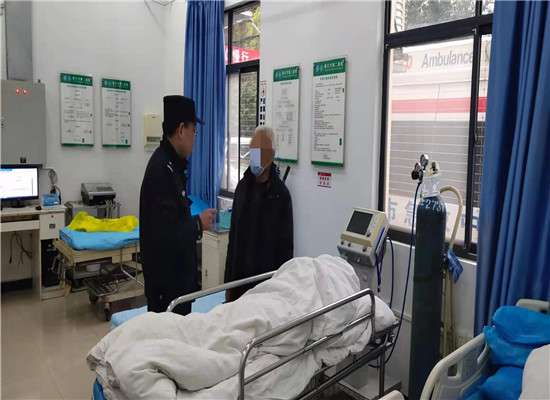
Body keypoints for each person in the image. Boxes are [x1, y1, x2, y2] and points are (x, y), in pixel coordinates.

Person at [140, 95, 217, 314]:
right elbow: (166, 233)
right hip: (167, 287)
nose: (195, 138)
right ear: (182, 130)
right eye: (194, 131)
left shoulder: (172, 165)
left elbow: (172, 218)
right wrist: (198, 223)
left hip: (175, 284)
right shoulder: (162, 170)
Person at [224, 126, 294, 302]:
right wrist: (228, 284)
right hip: (239, 282)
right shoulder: (242, 187)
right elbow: (233, 239)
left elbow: (286, 250)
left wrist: (281, 291)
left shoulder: (280, 195)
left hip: (266, 286)